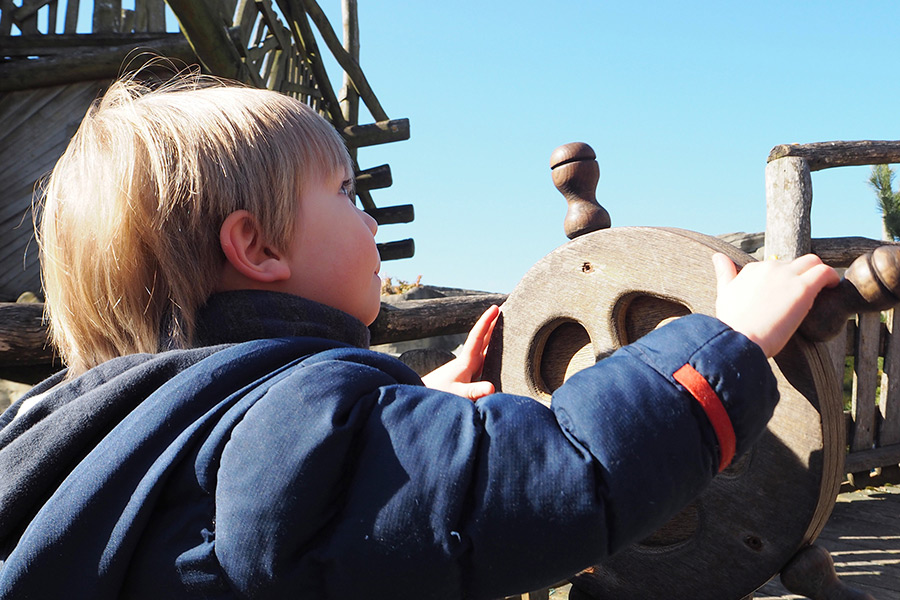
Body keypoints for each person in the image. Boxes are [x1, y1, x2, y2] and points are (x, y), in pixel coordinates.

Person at [0, 73, 839, 600]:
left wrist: (401, 413)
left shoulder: (75, 425)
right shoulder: (298, 423)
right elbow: (547, 479)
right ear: (256, 247)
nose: (367, 218)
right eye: (344, 192)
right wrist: (721, 348)